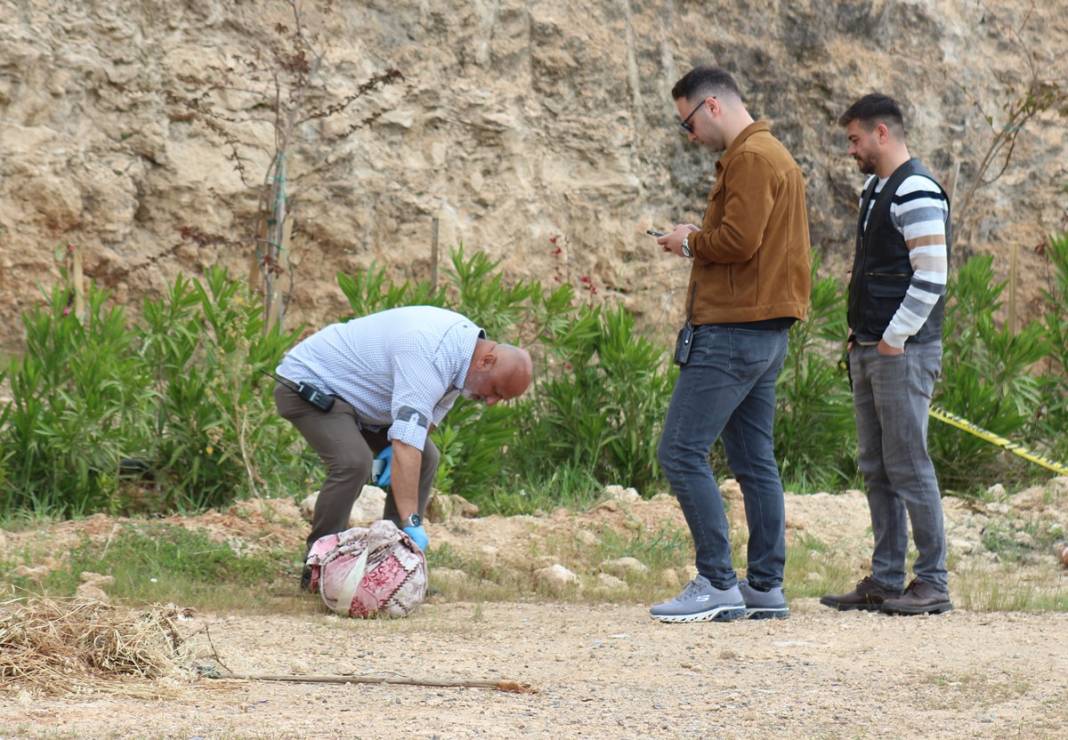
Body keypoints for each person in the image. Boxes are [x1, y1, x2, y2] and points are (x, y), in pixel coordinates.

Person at [651, 66, 811, 623]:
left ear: (711, 105)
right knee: (752, 459)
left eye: (688, 123)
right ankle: (764, 586)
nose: (690, 136)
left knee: (680, 450)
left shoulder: (750, 158)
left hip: (733, 331)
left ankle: (717, 581)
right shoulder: (773, 156)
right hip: (765, 330)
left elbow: (739, 241)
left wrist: (689, 240)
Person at [274, 305, 533, 586]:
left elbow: (423, 425)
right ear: (487, 362)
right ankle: (318, 568)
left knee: (427, 457)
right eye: (496, 391)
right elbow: (407, 445)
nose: (492, 402)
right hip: (310, 385)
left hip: (360, 400)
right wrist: (412, 521)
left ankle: (394, 567)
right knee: (354, 463)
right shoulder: (431, 353)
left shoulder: (464, 358)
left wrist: (394, 452)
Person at [820, 93, 953, 616]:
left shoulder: (915, 190)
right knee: (877, 465)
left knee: (908, 464)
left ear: (881, 133)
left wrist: (894, 337)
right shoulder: (876, 190)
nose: (851, 150)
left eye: (855, 139)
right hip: (873, 348)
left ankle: (933, 581)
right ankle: (886, 578)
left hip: (902, 351)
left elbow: (932, 276)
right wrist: (863, 335)